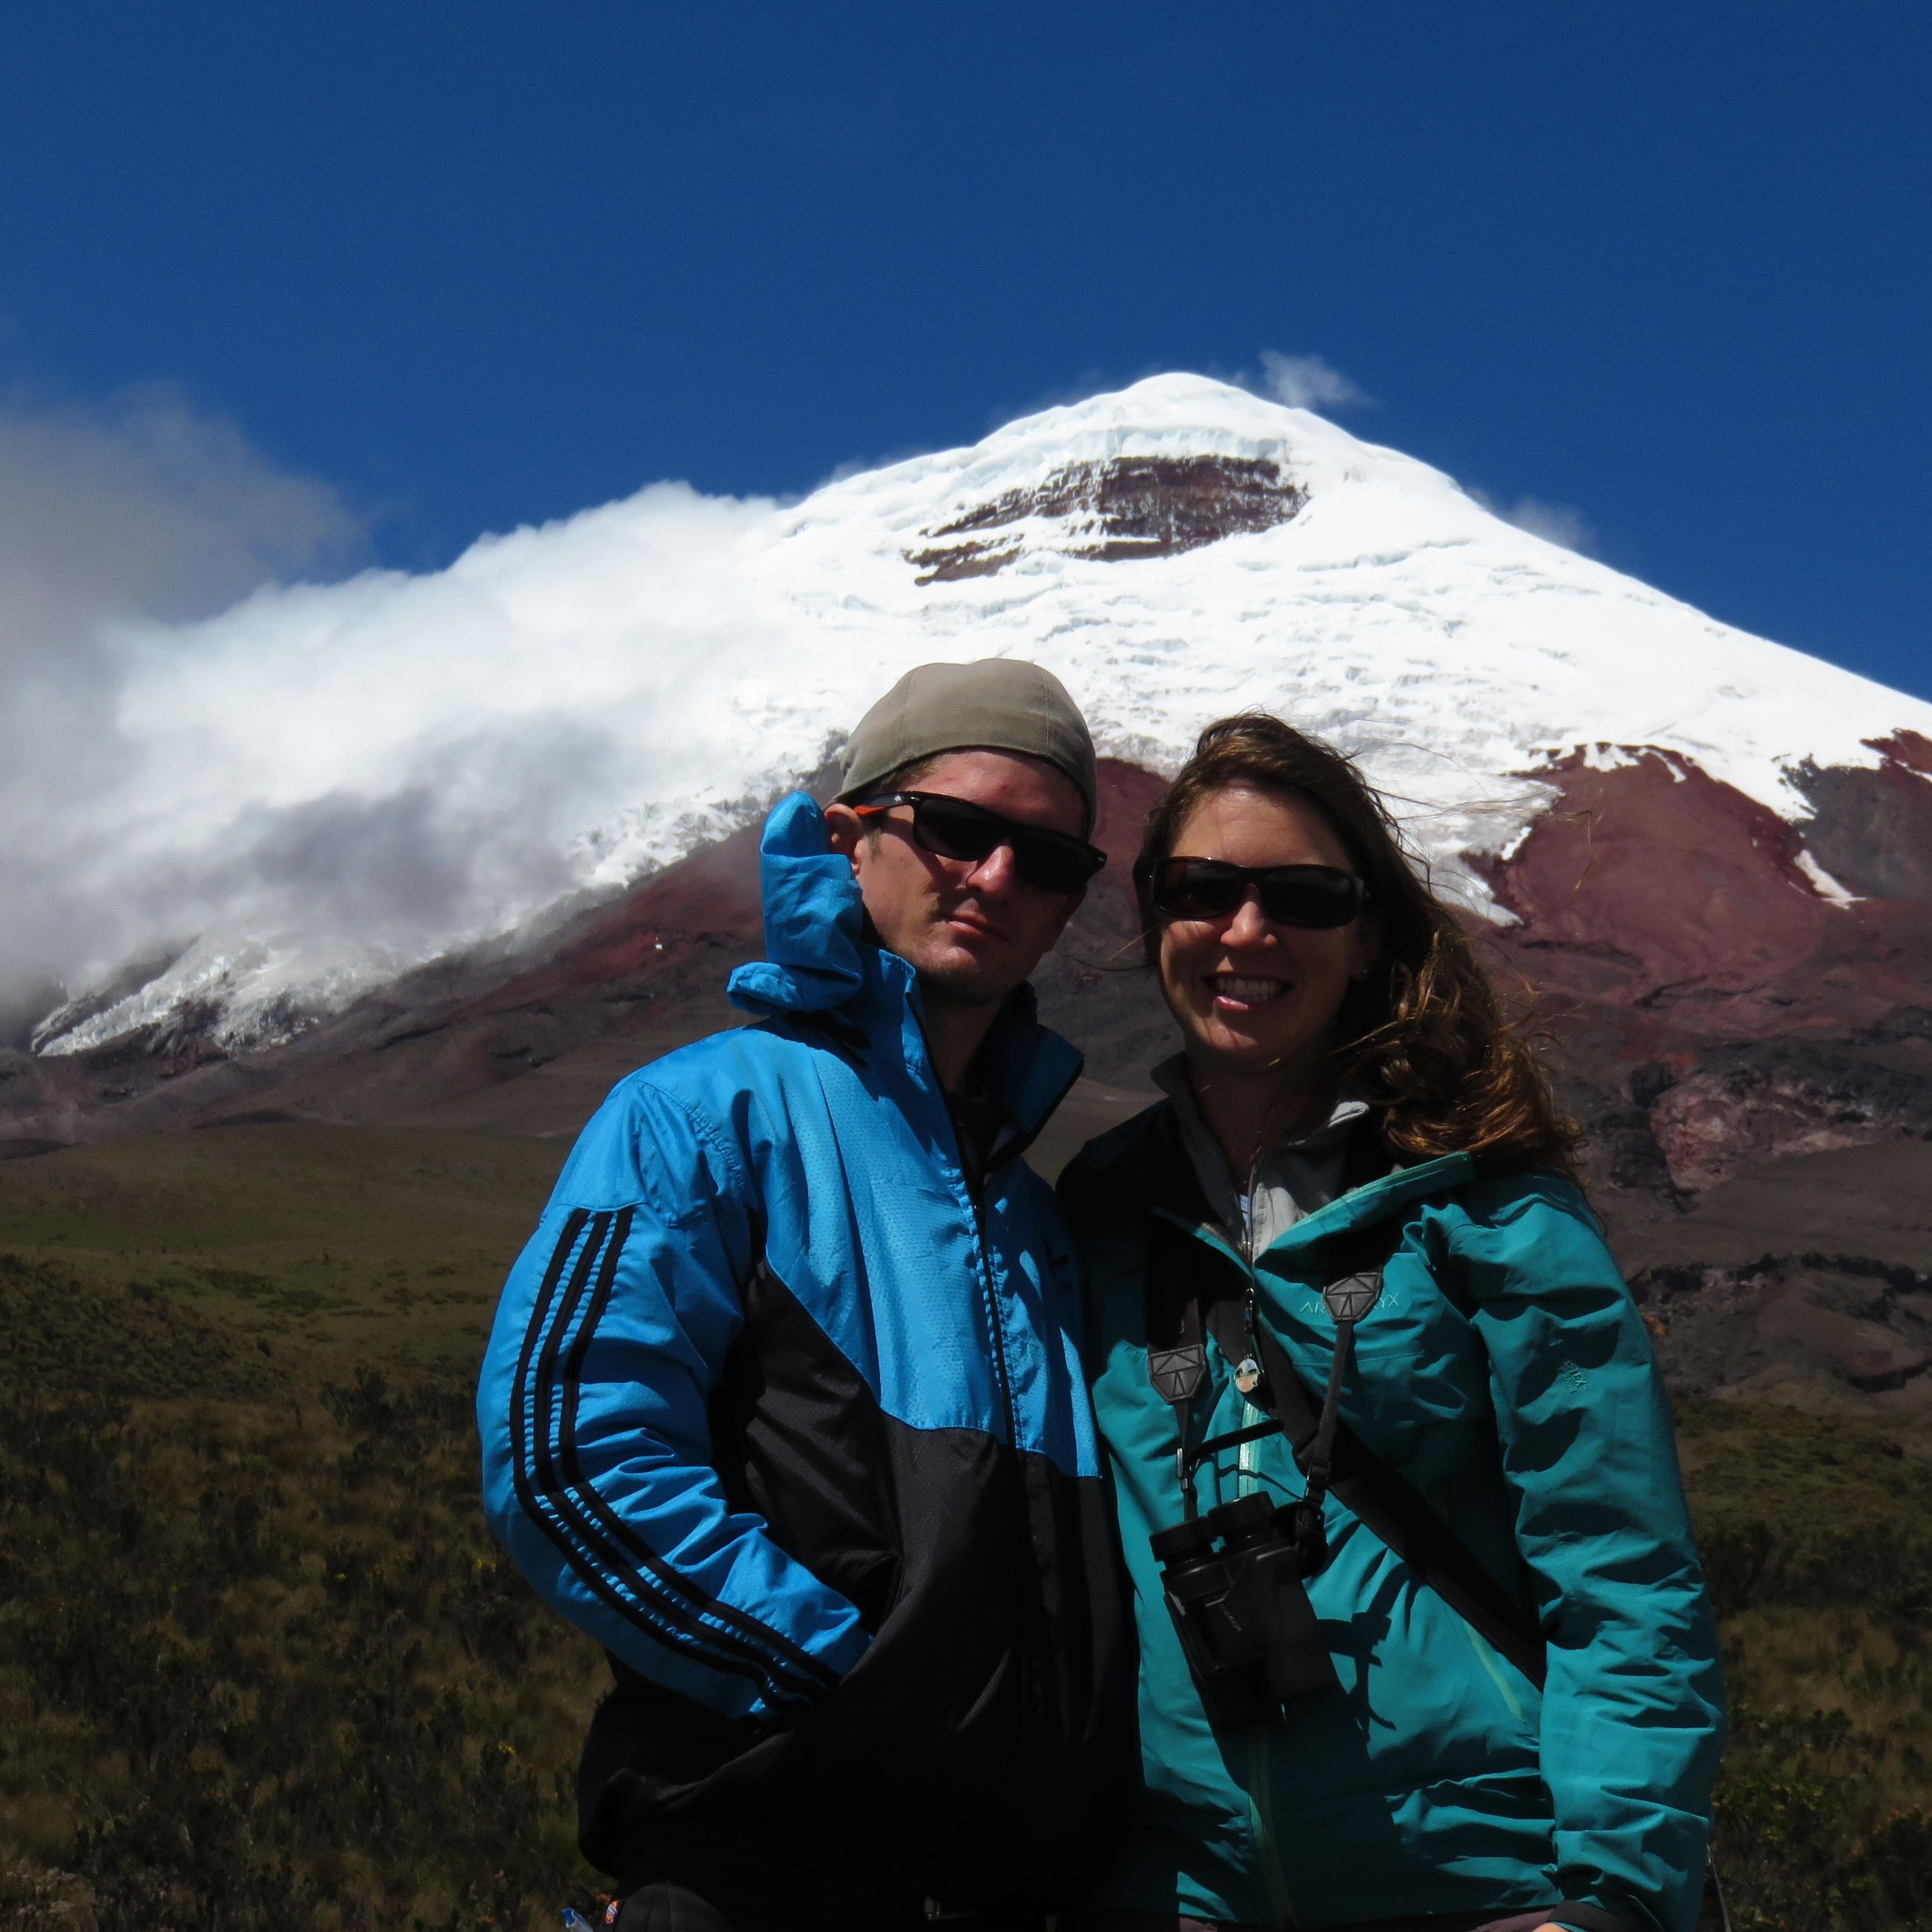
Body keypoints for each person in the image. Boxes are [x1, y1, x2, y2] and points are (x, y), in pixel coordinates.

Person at [477, 659, 1136, 1932]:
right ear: (851, 833)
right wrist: (835, 1679)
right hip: (757, 1867)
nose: (996, 878)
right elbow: (565, 1458)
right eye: (957, 829)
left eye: (1047, 862)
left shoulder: (1037, 1216)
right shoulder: (706, 1114)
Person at [1059, 714, 1725, 1932]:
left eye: (1302, 897)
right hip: (1178, 1893)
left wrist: (1612, 1899)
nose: (1247, 932)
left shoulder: (1489, 1216)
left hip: (1488, 1888)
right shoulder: (1099, 1216)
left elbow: (1620, 1574)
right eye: (1202, 888)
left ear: (1367, 936)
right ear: (1151, 914)